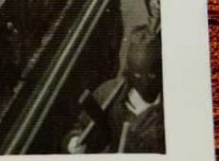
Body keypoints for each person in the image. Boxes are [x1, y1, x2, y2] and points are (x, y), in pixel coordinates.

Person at [64, 24, 164, 153]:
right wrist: (73, 140)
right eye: (137, 73)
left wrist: (145, 120)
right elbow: (81, 126)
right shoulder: (109, 92)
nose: (148, 80)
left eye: (154, 74)